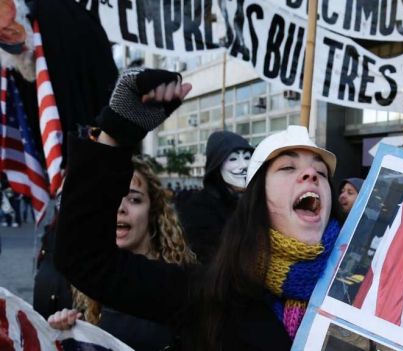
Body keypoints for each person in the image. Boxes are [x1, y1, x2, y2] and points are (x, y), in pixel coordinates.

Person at [55, 68, 341, 350]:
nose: (310, 175)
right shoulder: (212, 294)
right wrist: (116, 132)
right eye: (288, 167)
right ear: (256, 201)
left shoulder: (364, 289)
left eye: (320, 172)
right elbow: (85, 259)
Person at [48, 156, 196, 351]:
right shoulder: (90, 284)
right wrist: (69, 333)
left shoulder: (186, 283)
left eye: (134, 199)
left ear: (152, 211)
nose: (120, 209)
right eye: (110, 200)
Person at [177, 130, 253, 263]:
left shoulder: (256, 201)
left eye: (247, 157)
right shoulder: (197, 208)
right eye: (233, 158)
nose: (244, 165)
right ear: (217, 165)